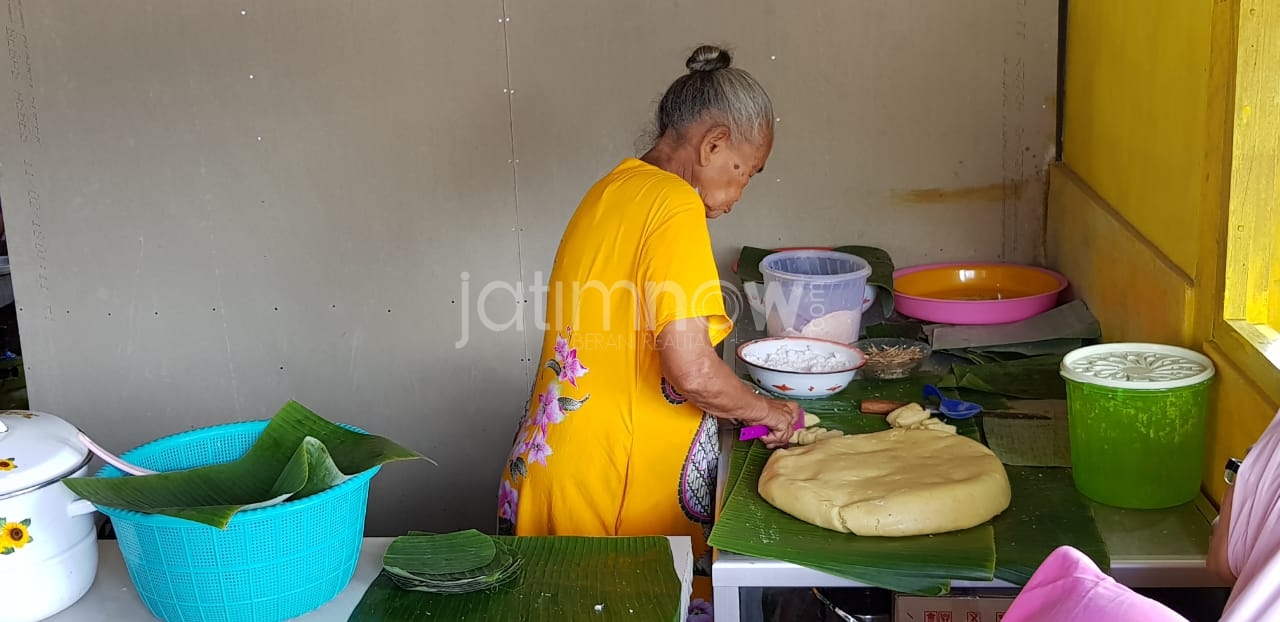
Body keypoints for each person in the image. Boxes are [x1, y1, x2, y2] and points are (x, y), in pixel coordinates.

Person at [495, 44, 801, 614]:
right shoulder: (673, 205)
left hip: (553, 470)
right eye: (745, 172)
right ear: (713, 144)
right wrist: (770, 410)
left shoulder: (613, 188)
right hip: (614, 498)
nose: (739, 193)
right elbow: (692, 373)